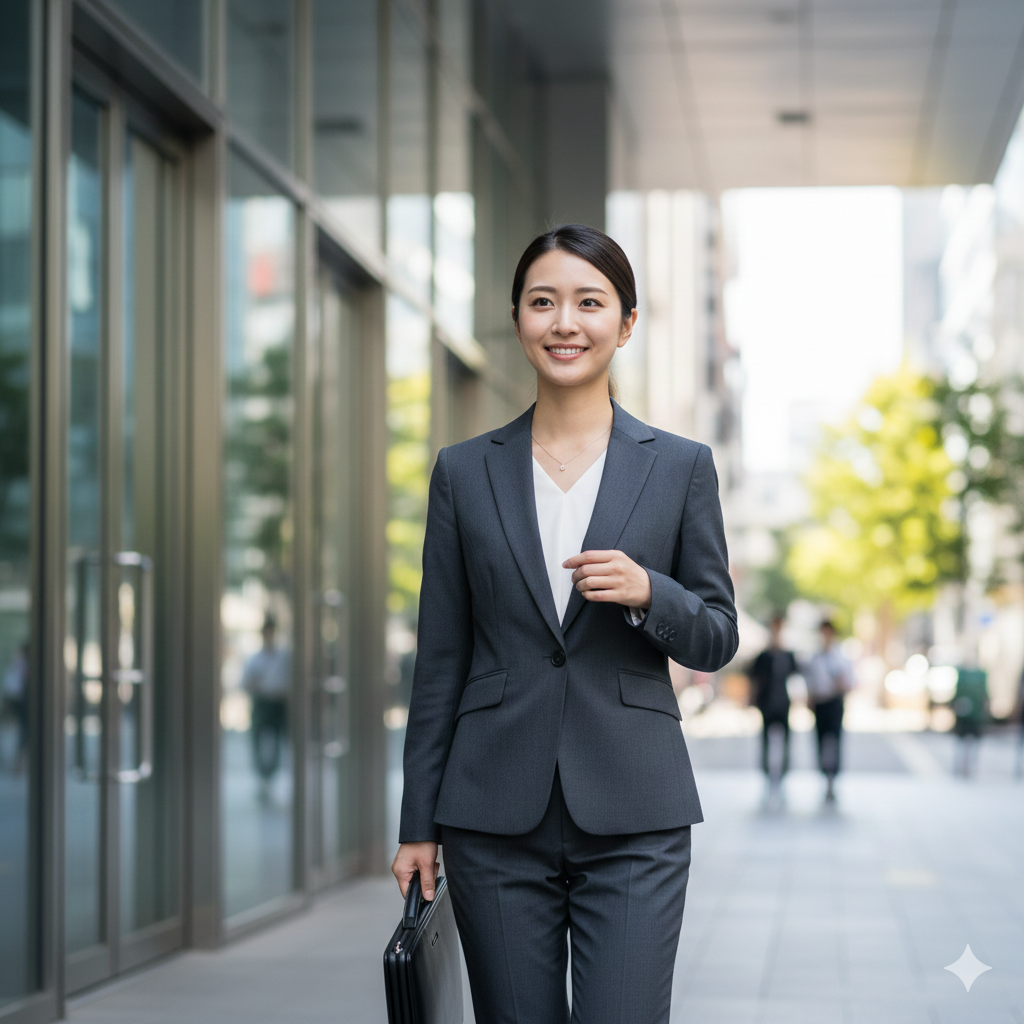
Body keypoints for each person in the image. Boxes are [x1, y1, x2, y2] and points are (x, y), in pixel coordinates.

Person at [391, 224, 738, 1024]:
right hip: (491, 814)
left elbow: (717, 632)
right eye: (543, 302)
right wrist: (418, 826)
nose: (564, 322)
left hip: (635, 814)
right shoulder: (464, 470)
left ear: (626, 323)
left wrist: (652, 591)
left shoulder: (680, 466)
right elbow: (440, 660)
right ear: (518, 319)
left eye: (590, 302)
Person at [241, 615, 291, 801]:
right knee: (258, 741)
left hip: (278, 703)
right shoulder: (254, 659)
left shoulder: (284, 657)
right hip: (262, 702)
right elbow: (245, 683)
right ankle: (263, 778)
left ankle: (271, 777)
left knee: (277, 742)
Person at [805, 620, 853, 802]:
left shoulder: (840, 657)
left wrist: (841, 684)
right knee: (820, 740)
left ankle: (833, 779)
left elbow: (849, 682)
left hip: (834, 703)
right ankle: (824, 776)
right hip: (820, 704)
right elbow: (810, 681)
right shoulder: (815, 657)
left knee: (834, 741)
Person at [747, 616, 796, 790]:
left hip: (783, 703)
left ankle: (783, 773)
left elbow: (795, 678)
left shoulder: (788, 656)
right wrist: (751, 699)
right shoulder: (763, 656)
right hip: (767, 703)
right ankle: (767, 774)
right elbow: (754, 679)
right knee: (766, 741)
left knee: (786, 742)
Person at [951, 662, 988, 777]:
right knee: (965, 741)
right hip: (968, 715)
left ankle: (967, 765)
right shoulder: (966, 676)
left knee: (968, 741)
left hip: (971, 715)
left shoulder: (979, 676)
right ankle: (964, 765)